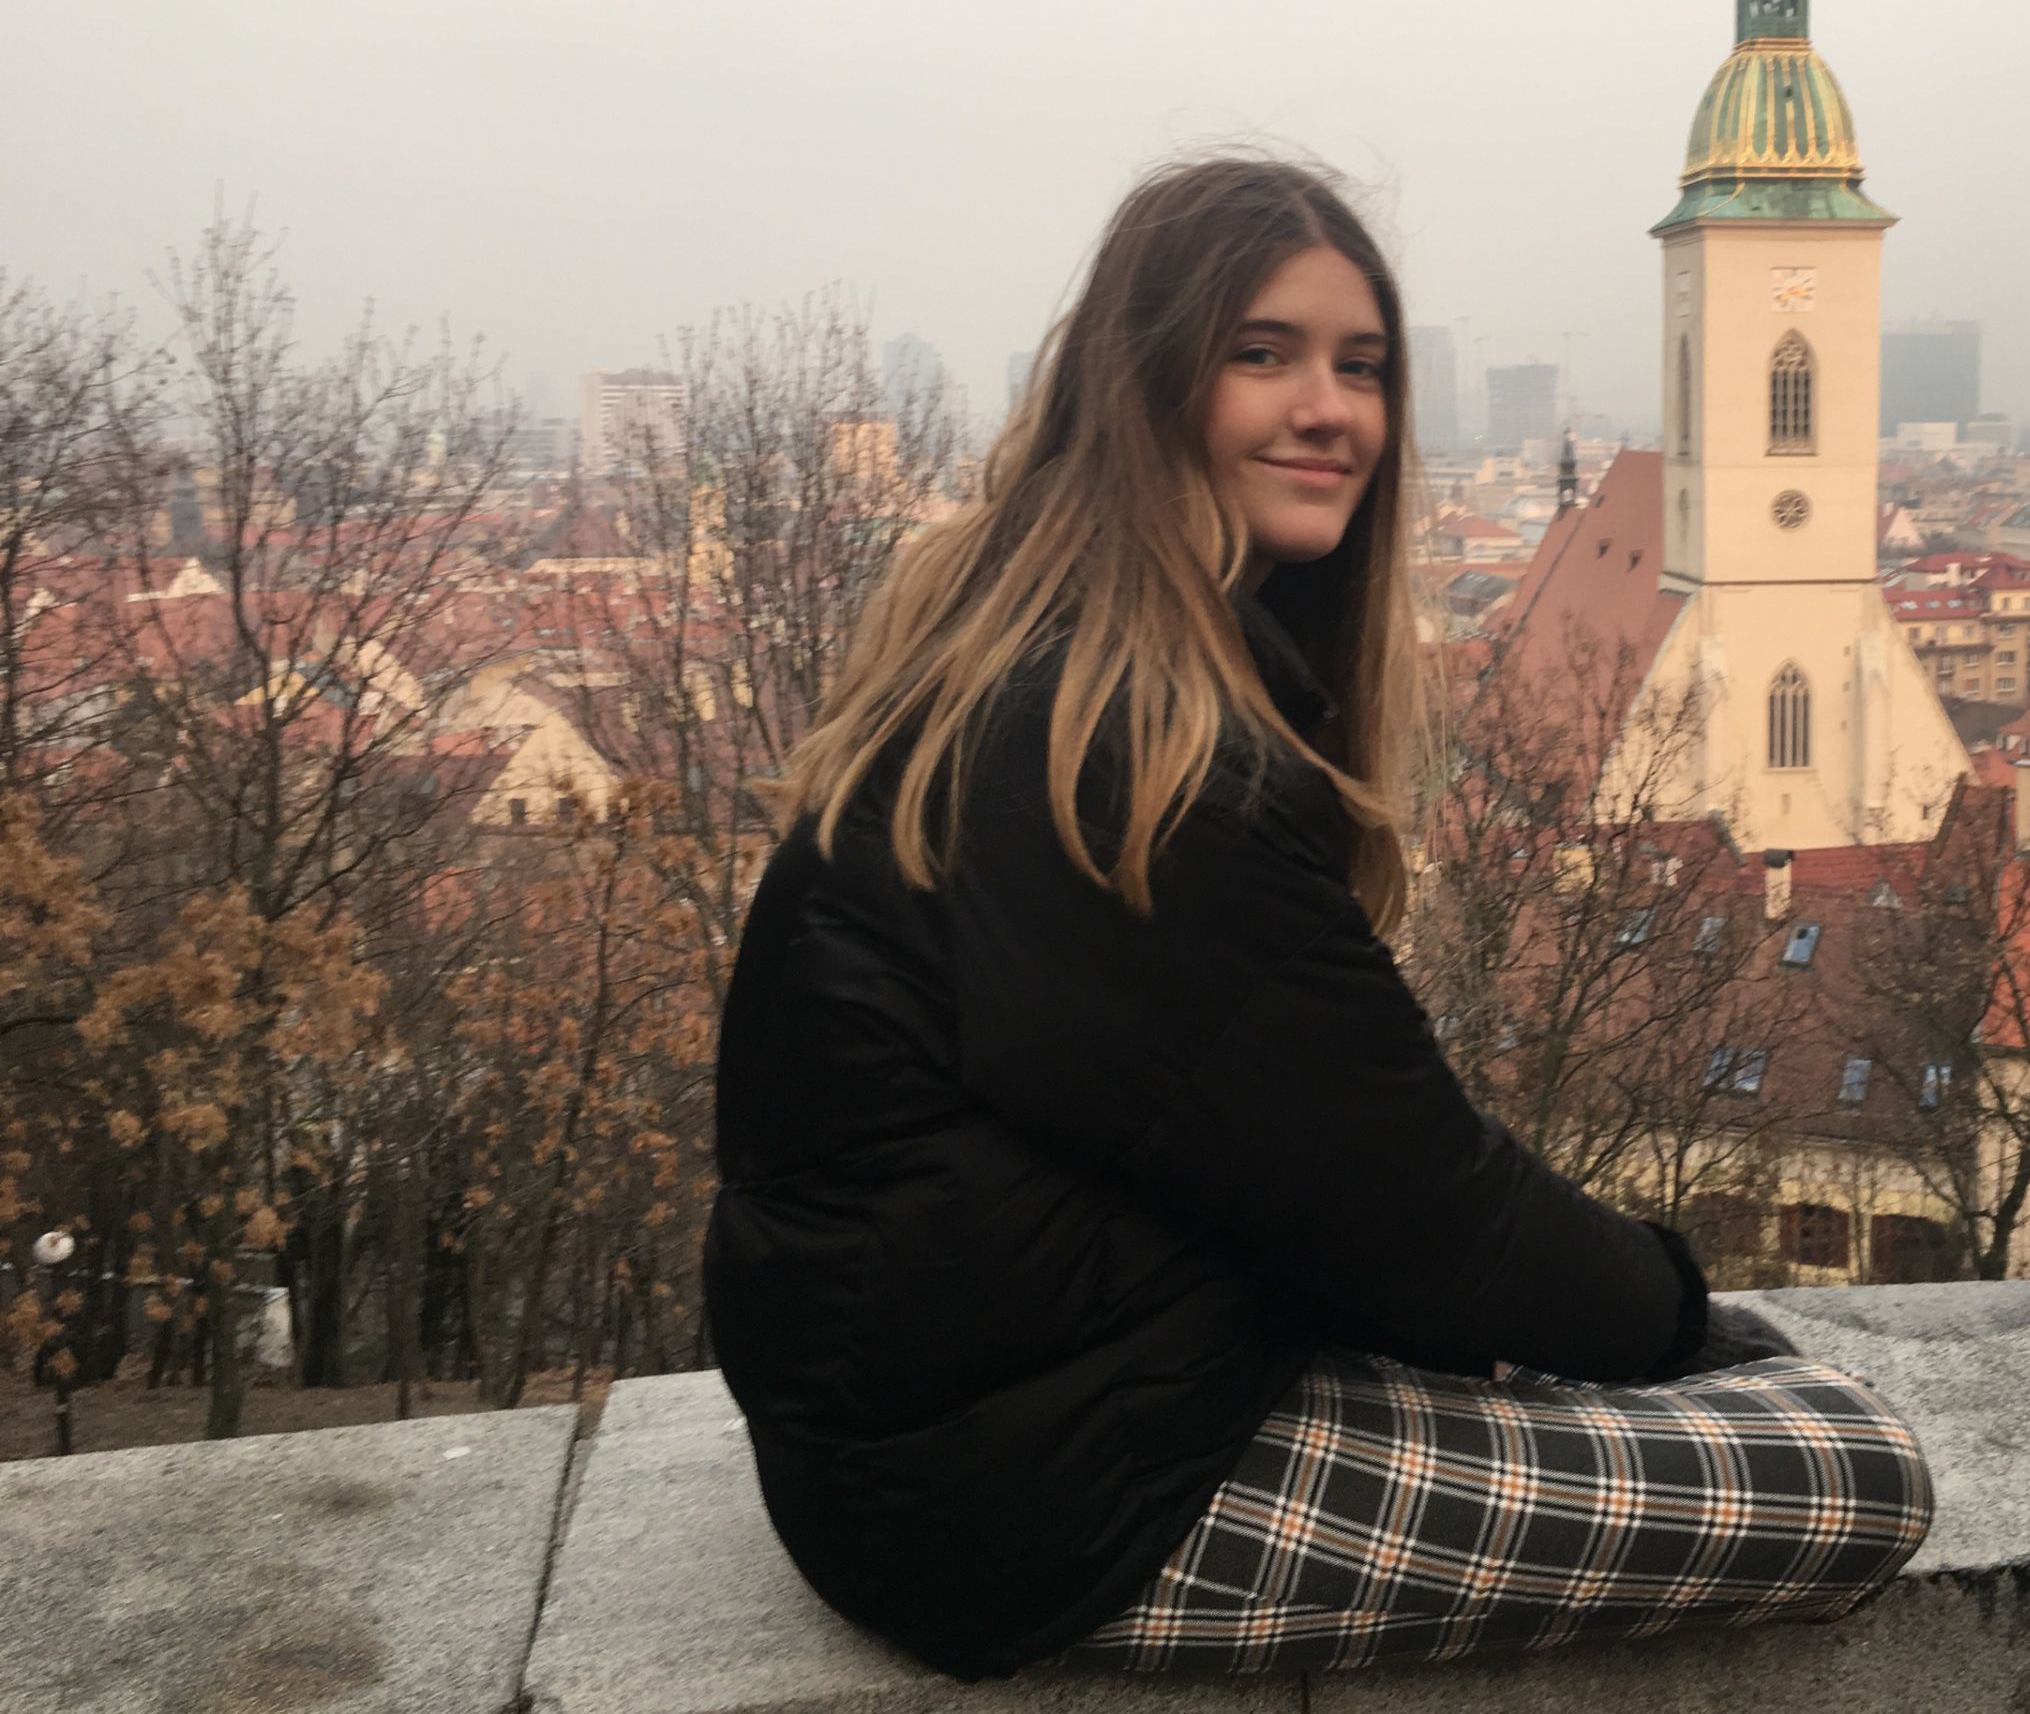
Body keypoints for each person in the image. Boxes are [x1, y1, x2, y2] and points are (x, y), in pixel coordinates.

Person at [702, 156, 1933, 1682]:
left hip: (1015, 1405)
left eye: (1362, 367)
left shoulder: (1053, 658)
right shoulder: (1131, 755)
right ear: (1142, 383)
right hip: (1034, 1503)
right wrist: (1687, 1321)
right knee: (1857, 1464)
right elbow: (1421, 1205)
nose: (1331, 408)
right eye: (1261, 352)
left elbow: (1282, 1156)